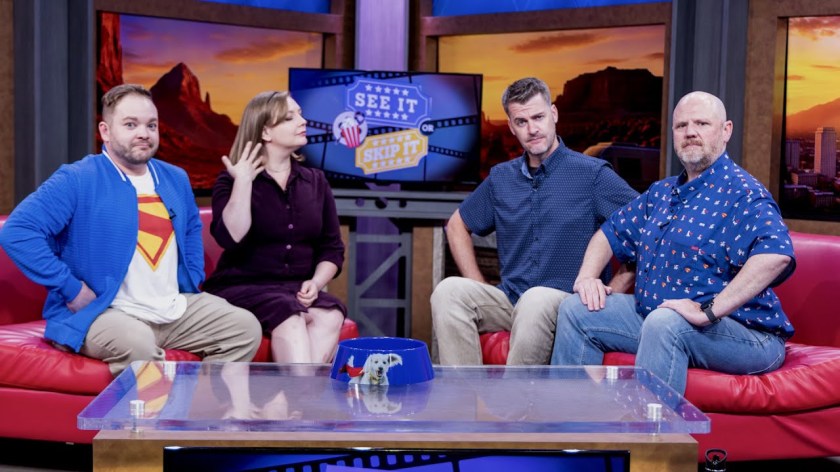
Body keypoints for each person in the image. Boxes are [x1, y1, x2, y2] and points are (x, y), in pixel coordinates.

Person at [0, 84, 262, 375]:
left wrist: (193, 276)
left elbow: (190, 229)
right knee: (138, 344)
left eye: (151, 125)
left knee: (244, 328)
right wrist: (70, 288)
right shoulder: (77, 178)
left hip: (171, 308)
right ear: (105, 131)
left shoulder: (175, 178)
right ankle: (150, 408)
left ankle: (201, 403)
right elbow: (18, 231)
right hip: (102, 313)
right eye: (130, 124)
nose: (144, 133)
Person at [551, 91, 795, 395]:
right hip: (659, 317)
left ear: (726, 131)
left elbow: (776, 254)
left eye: (702, 123)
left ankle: (645, 428)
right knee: (576, 309)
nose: (690, 132)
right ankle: (572, 420)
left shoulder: (743, 193)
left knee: (665, 322)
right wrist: (587, 277)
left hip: (747, 334)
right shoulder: (661, 193)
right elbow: (609, 233)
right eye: (681, 125)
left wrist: (709, 310)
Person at [430, 77, 638, 365]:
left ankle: (516, 396)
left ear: (553, 114)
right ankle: (465, 391)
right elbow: (457, 225)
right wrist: (478, 282)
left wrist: (612, 291)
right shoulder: (501, 178)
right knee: (448, 292)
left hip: (567, 303)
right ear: (511, 126)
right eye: (521, 121)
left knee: (535, 299)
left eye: (538, 117)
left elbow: (645, 228)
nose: (532, 129)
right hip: (511, 300)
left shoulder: (592, 174)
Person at [202, 91, 346, 364]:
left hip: (295, 289)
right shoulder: (230, 181)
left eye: (300, 114)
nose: (303, 121)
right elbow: (231, 236)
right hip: (243, 287)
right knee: (289, 317)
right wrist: (243, 182)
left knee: (330, 314)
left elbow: (332, 248)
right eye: (290, 118)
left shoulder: (316, 181)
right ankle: (302, 391)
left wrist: (316, 283)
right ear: (266, 131)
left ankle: (297, 390)